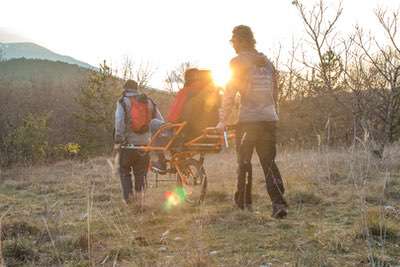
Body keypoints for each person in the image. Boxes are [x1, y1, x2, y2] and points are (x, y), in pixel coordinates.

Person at [217, 25, 288, 218]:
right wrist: (274, 114)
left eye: (234, 41)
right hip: (269, 119)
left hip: (249, 121)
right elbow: (275, 92)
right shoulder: (266, 62)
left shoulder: (237, 62)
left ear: (241, 40)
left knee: (244, 162)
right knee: (268, 162)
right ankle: (279, 204)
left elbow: (230, 91)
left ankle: (244, 204)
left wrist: (223, 120)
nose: (233, 45)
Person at [151, 68, 221, 173]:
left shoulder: (186, 92)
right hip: (206, 134)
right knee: (175, 130)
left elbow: (174, 116)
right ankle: (178, 163)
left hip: (185, 133)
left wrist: (171, 122)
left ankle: (161, 161)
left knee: (153, 123)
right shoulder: (214, 95)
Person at [114, 79, 164, 204]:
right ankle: (140, 200)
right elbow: (161, 121)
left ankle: (129, 200)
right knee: (141, 172)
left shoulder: (123, 102)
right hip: (145, 145)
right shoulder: (149, 101)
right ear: (137, 89)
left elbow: (119, 122)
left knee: (124, 171)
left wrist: (118, 139)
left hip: (128, 144)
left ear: (125, 89)